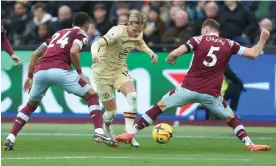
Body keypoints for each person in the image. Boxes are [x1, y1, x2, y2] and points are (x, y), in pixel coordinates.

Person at [116, 19, 271, 152]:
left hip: (188, 89)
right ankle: (249, 144)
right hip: (211, 94)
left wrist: (170, 59)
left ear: (206, 29)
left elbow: (176, 53)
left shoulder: (198, 39)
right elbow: (253, 54)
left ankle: (131, 133)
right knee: (231, 118)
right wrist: (263, 39)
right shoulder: (230, 44)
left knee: (159, 107)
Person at [3, 12, 115, 151]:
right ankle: (99, 131)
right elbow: (74, 51)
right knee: (91, 95)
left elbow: (35, 54)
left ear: (72, 24)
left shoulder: (58, 33)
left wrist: (30, 76)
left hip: (40, 71)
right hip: (60, 69)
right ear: (87, 25)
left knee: (31, 105)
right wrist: (80, 72)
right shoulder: (81, 34)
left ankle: (11, 137)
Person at [91, 11, 158, 147]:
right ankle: (107, 127)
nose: (136, 33)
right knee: (111, 113)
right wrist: (94, 54)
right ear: (128, 24)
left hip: (119, 70)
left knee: (132, 96)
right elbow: (96, 44)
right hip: (102, 73)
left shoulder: (138, 33)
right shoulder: (117, 32)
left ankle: (129, 133)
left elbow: (140, 43)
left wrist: (150, 53)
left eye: (139, 30)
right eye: (134, 29)